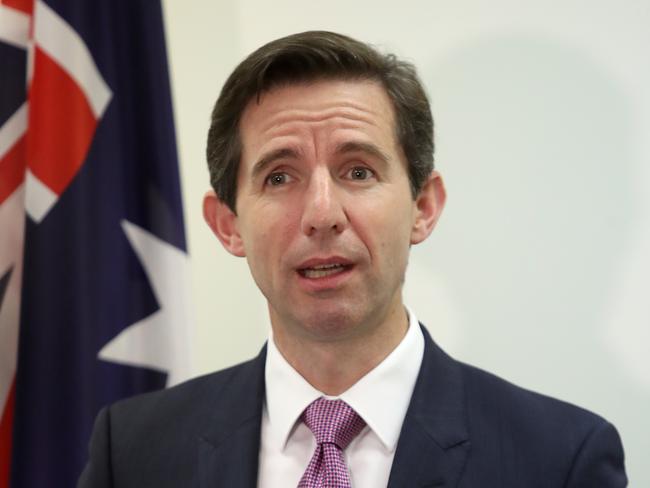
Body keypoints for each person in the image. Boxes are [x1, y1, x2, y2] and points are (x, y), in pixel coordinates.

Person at [78, 31, 627, 487]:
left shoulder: (561, 460)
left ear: (423, 207)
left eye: (358, 171)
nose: (321, 213)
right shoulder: (131, 453)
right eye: (279, 176)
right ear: (228, 225)